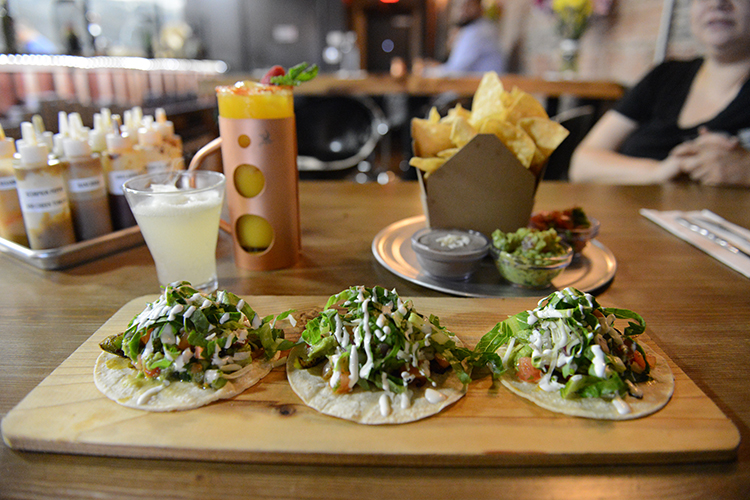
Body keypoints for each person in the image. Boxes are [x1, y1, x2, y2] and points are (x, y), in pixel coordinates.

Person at [569, 0, 750, 187]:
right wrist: (661, 170)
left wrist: (747, 170)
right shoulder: (665, 76)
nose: (717, 3)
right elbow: (582, 163)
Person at [421, 0, 505, 76]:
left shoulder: (477, 32)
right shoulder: (478, 28)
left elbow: (455, 71)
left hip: (477, 89)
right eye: (460, 6)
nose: (463, 10)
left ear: (480, 7)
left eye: (468, 5)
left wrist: (425, 71)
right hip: (474, 86)